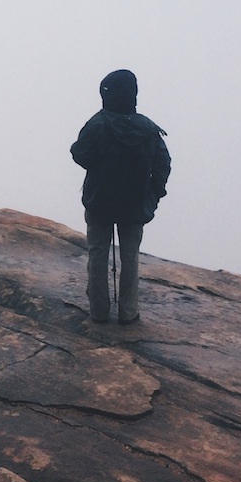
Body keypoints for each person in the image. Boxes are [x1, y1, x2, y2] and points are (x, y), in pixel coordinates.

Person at [70, 69, 170, 325]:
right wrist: (154, 193)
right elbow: (163, 163)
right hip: (135, 204)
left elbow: (80, 154)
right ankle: (128, 312)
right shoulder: (149, 130)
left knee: (98, 254)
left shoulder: (98, 124)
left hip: (99, 202)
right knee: (130, 257)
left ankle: (98, 311)